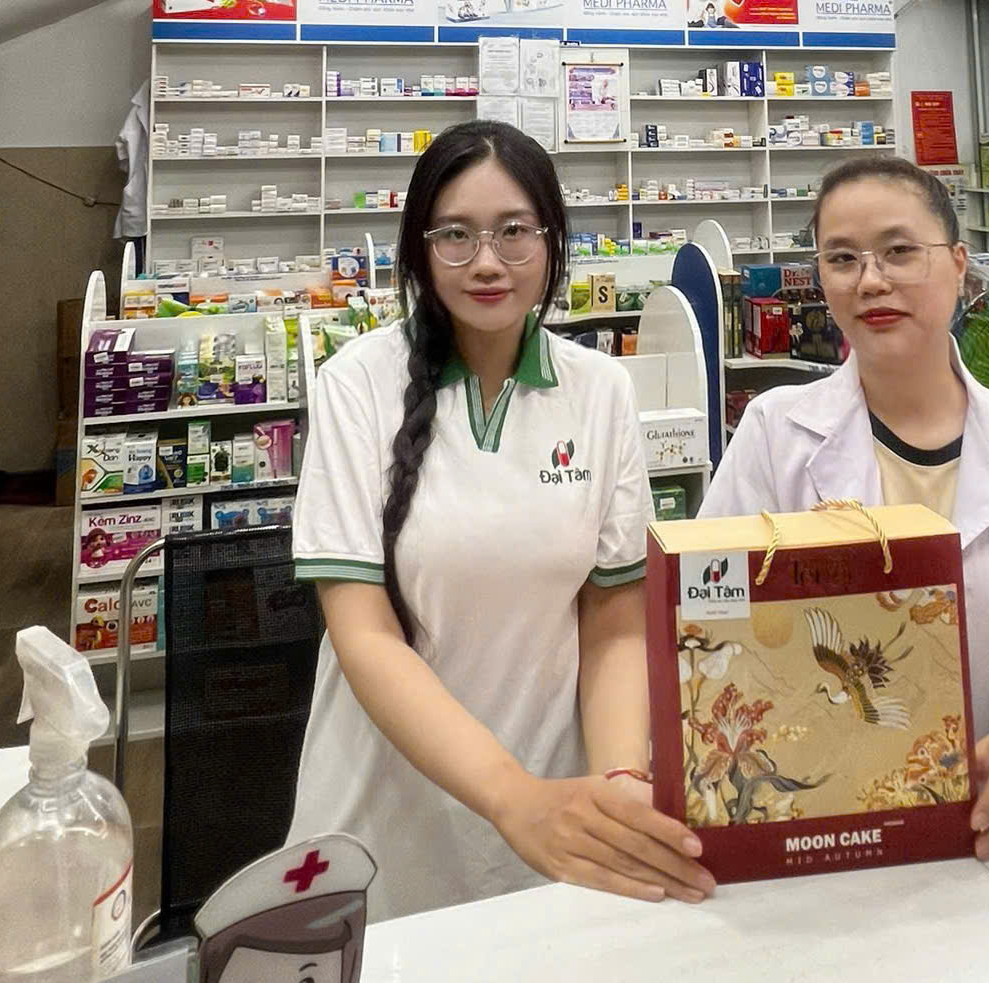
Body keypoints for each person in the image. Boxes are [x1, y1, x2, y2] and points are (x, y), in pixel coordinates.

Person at [291, 120, 713, 922]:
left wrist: (619, 782)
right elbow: (364, 635)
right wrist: (512, 797)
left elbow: (613, 621)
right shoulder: (356, 385)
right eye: (455, 234)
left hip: (561, 809)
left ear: (551, 241)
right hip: (389, 816)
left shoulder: (599, 389)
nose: (486, 261)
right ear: (419, 249)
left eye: (514, 231)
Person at [700, 154, 989, 872]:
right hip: (819, 833)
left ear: (958, 264)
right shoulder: (775, 433)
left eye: (899, 251)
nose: (870, 281)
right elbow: (708, 626)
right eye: (842, 258)